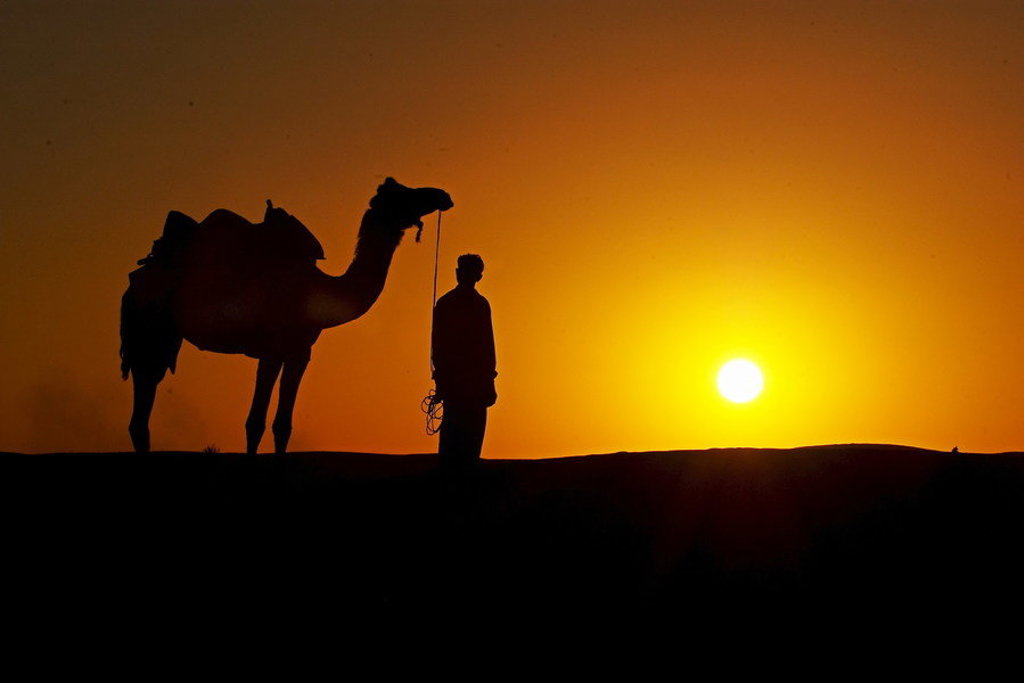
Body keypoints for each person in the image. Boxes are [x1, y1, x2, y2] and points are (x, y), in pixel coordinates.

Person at [431, 254, 497, 469]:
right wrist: (441, 380)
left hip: (472, 383)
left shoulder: (476, 305)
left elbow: (487, 346)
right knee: (455, 439)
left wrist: (489, 381)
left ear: (478, 276)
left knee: (470, 441)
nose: (463, 275)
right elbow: (439, 346)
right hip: (458, 384)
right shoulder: (447, 304)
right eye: (462, 270)